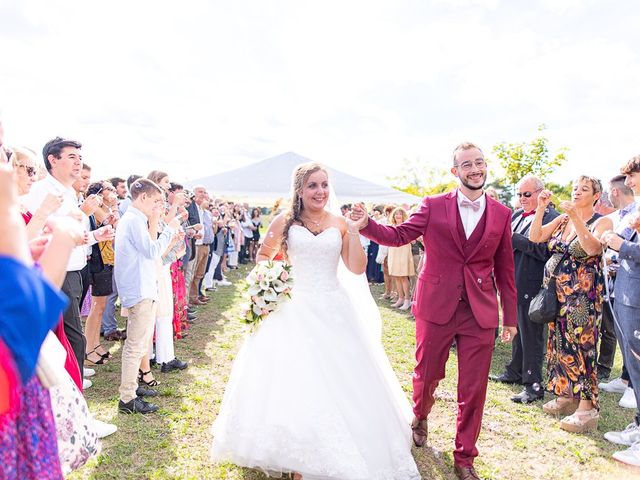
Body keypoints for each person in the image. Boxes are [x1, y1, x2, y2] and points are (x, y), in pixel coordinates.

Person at [210, 162, 420, 480]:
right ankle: (295, 452)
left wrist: (352, 232)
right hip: (292, 307)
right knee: (294, 378)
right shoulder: (286, 220)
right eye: (312, 186)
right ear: (300, 190)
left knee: (340, 378)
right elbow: (263, 256)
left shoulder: (341, 223)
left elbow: (356, 268)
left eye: (324, 185)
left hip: (333, 308)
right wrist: (274, 280)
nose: (320, 191)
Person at [351, 142, 517, 480]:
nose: (475, 169)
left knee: (473, 388)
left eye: (480, 163)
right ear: (455, 171)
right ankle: (420, 414)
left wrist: (509, 317)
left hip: (479, 310)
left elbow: (505, 269)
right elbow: (398, 235)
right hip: (436, 304)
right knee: (427, 375)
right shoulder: (432, 205)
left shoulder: (501, 213)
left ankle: (465, 456)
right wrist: (368, 224)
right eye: (467, 164)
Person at [529, 176, 612, 433]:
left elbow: (592, 248)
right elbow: (536, 237)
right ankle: (566, 395)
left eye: (584, 189)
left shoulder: (602, 221)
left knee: (582, 347)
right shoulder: (562, 219)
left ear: (596, 196)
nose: (577, 191)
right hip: (557, 294)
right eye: (575, 187)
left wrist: (576, 217)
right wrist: (541, 208)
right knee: (559, 343)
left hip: (582, 298)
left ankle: (587, 407)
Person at [490, 175, 559, 404]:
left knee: (532, 335)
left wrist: (514, 240)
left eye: (527, 194)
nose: (522, 198)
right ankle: (515, 371)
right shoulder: (517, 215)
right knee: (516, 328)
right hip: (513, 280)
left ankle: (533, 384)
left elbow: (545, 252)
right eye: (519, 194)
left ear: (541, 193)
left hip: (533, 282)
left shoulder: (554, 217)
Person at [115, 178, 180, 414]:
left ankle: (132, 386)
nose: (158, 207)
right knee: (135, 345)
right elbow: (152, 251)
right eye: (156, 201)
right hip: (139, 289)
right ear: (143, 198)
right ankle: (127, 398)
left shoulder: (135, 219)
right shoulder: (133, 220)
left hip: (143, 287)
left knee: (140, 343)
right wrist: (169, 230)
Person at [600, 155, 640, 466]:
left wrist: (619, 245)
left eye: (632, 176)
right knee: (634, 368)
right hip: (627, 294)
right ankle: (638, 427)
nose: (627, 183)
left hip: (636, 297)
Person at [387, 207, 415, 310]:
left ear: (404, 216)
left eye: (400, 214)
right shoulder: (392, 227)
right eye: (396, 214)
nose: (398, 216)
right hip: (393, 251)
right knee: (396, 276)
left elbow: (413, 240)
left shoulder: (406, 226)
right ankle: (401, 298)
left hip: (403, 251)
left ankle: (407, 300)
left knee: (403, 276)